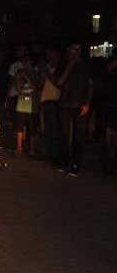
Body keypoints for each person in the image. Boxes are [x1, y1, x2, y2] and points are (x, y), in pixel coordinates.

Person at [55, 40, 93, 176]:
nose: (76, 52)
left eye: (78, 49)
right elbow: (59, 82)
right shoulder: (63, 64)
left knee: (78, 136)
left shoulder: (86, 65)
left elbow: (90, 85)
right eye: (73, 49)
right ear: (68, 50)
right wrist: (70, 65)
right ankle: (64, 161)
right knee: (64, 134)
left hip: (80, 103)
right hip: (64, 103)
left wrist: (87, 103)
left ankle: (75, 164)